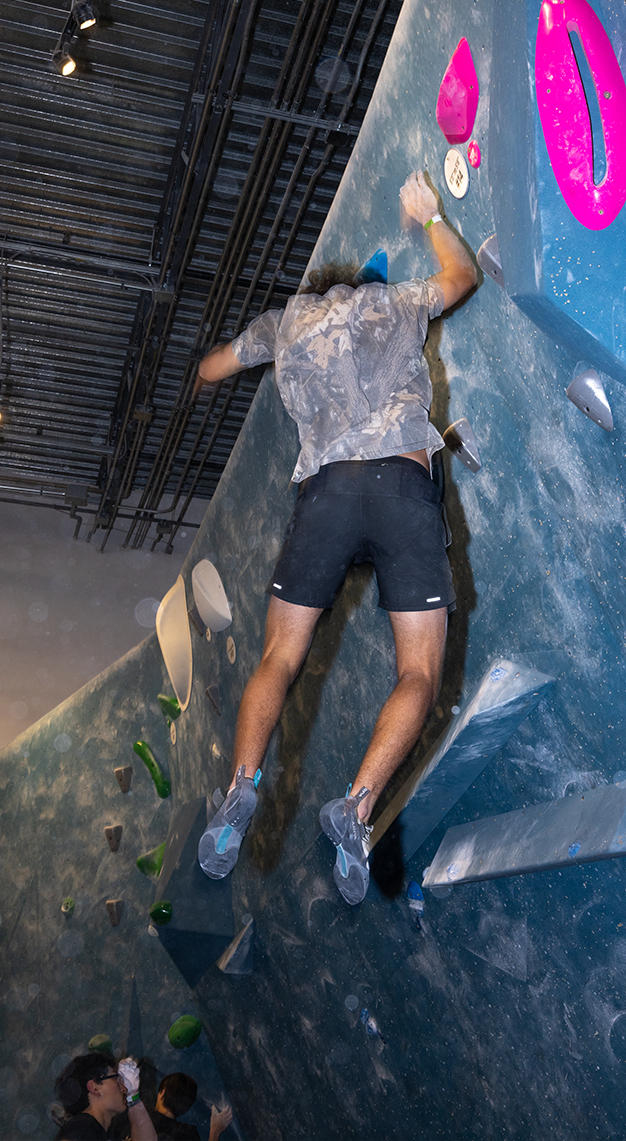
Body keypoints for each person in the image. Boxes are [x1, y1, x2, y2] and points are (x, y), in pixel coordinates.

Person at [195, 170, 477, 904]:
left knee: (280, 655)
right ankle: (355, 806)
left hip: (325, 494)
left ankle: (240, 787)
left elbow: (214, 365)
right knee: (418, 674)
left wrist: (212, 371)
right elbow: (464, 275)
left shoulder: (285, 323)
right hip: (403, 487)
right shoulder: (394, 302)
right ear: (358, 284)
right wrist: (430, 216)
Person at [54, 1054, 156, 1140]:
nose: (123, 1085)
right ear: (95, 1088)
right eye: (116, 1078)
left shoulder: (102, 1132)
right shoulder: (82, 1127)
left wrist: (132, 1096)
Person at [148, 1072, 233, 1141]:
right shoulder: (187, 1135)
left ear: (162, 1093)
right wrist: (215, 1131)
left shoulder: (142, 1116)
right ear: (186, 1110)